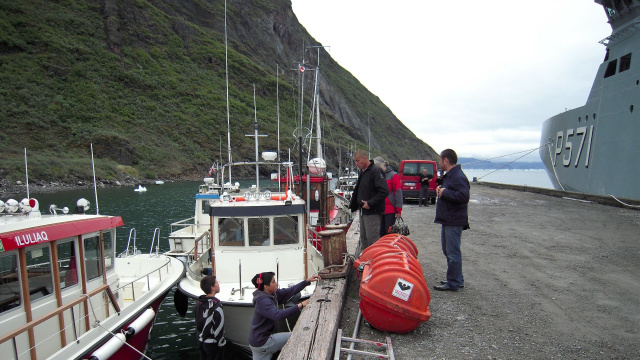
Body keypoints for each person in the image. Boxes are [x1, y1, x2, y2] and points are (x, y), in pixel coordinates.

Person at [248, 272, 321, 360]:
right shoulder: (263, 301)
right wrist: (301, 305)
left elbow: (289, 291)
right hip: (264, 342)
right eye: (273, 282)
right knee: (297, 336)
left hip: (258, 342)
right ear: (266, 286)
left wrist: (306, 281)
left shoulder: (271, 293)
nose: (276, 284)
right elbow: (278, 315)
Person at [433, 149, 470, 292]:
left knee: (452, 252)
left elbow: (463, 196)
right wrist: (441, 189)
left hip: (453, 220)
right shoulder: (451, 176)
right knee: (448, 251)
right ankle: (456, 278)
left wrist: (445, 192)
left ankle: (453, 282)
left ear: (446, 160)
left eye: (440, 160)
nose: (439, 162)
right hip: (448, 218)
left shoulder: (458, 176)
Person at [349, 150, 389, 250]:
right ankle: (366, 261)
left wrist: (370, 203)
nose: (356, 164)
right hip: (363, 211)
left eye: (358, 161)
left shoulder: (375, 171)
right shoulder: (363, 172)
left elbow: (384, 191)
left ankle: (373, 261)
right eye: (355, 161)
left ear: (365, 158)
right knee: (364, 239)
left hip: (372, 211)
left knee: (372, 239)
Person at [195, 275, 226, 360]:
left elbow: (197, 322)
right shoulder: (217, 307)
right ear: (212, 287)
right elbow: (219, 329)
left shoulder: (199, 303)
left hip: (201, 340)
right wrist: (221, 344)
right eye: (216, 283)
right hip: (212, 344)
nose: (218, 284)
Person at [374, 157, 402, 236]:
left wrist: (398, 209)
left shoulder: (393, 176)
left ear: (382, 165)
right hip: (379, 209)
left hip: (390, 210)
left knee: (389, 232)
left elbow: (398, 193)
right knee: (381, 233)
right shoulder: (378, 176)